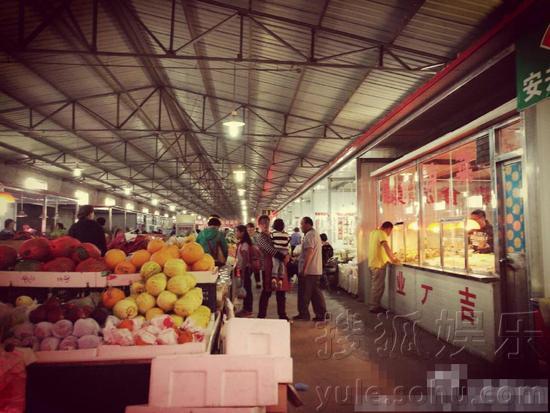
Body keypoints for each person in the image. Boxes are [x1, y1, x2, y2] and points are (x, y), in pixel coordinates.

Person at [294, 217, 328, 322]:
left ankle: (304, 314)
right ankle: (321, 314)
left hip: (309, 271)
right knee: (315, 294)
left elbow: (309, 252)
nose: (301, 226)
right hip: (315, 270)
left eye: (302, 224)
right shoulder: (315, 234)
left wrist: (305, 268)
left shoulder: (309, 235)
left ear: (307, 224)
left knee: (304, 293)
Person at [256, 215, 289, 320]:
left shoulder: (272, 235)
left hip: (278, 266)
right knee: (267, 292)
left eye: (267, 223)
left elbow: (284, 246)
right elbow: (270, 250)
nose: (265, 225)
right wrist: (283, 256)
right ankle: (261, 315)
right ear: (259, 225)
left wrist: (287, 254)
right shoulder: (260, 237)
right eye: (263, 223)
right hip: (267, 267)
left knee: (281, 292)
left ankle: (282, 315)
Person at [367, 221, 400, 313]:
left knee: (376, 286)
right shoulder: (382, 233)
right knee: (378, 287)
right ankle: (374, 307)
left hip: (372, 263)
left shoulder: (373, 232)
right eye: (390, 231)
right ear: (388, 228)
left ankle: (374, 305)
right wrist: (393, 259)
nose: (390, 234)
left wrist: (389, 257)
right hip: (378, 264)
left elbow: (379, 248)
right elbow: (385, 246)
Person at [234, 225, 254, 317]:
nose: (235, 233)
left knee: (247, 289)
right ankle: (246, 309)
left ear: (242, 232)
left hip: (245, 269)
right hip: (244, 269)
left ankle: (248, 310)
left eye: (237, 231)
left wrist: (242, 271)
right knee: (246, 288)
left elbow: (245, 258)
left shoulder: (245, 244)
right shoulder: (242, 243)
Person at [271, 218, 289, 290]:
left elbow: (271, 242)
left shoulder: (273, 233)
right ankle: (281, 280)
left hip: (276, 251)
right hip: (284, 251)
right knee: (282, 265)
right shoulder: (286, 234)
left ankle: (274, 278)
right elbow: (287, 242)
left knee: (275, 264)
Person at [247, 222, 262, 289]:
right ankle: (248, 283)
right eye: (248, 230)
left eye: (251, 230)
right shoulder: (246, 237)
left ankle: (258, 282)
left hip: (256, 256)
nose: (249, 231)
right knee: (249, 270)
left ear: (254, 229)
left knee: (256, 269)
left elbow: (259, 246)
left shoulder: (257, 236)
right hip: (248, 257)